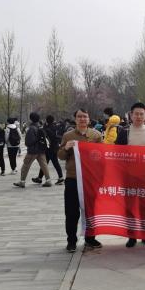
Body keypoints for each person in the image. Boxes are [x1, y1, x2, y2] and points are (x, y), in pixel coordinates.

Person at [57, 108, 103, 252]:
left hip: (90, 180)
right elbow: (60, 156)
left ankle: (90, 238)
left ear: (89, 119)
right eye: (79, 117)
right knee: (71, 212)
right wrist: (66, 148)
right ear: (75, 119)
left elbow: (101, 156)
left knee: (91, 211)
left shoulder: (96, 135)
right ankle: (71, 241)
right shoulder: (68, 135)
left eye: (85, 116)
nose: (82, 119)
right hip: (73, 179)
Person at [116, 102, 145, 248]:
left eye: (142, 114)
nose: (139, 116)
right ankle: (132, 235)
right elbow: (117, 152)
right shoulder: (124, 131)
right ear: (131, 115)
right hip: (128, 175)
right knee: (129, 206)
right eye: (136, 114)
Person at [13, 112, 52, 188]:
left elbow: (28, 142)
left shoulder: (31, 128)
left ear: (31, 119)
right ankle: (48, 180)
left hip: (33, 151)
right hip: (41, 150)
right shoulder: (40, 127)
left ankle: (22, 181)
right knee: (44, 165)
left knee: (26, 165)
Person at [33, 115, 65, 185]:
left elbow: (43, 135)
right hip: (55, 147)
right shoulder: (55, 127)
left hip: (49, 148)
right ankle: (39, 178)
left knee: (54, 163)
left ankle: (61, 178)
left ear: (46, 120)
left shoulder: (46, 128)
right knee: (45, 163)